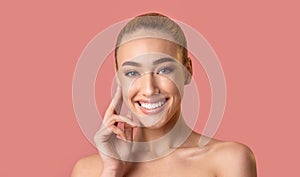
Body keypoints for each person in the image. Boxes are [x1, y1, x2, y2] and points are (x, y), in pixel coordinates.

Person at [71, 13, 257, 177]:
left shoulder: (229, 160)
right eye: (132, 73)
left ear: (187, 70)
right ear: (118, 77)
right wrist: (112, 171)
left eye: (164, 70)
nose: (150, 89)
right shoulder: (89, 171)